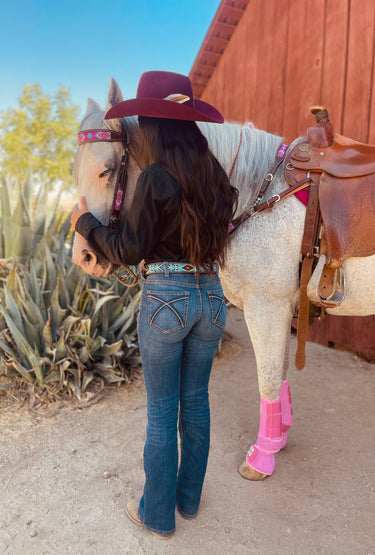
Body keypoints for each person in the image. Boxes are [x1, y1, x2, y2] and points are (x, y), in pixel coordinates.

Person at [71, 71, 238, 539]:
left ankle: (157, 515)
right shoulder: (215, 176)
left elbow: (126, 250)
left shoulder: (156, 178)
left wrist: (84, 219)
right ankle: (187, 501)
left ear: (153, 125)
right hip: (212, 297)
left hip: (167, 298)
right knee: (196, 404)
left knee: (162, 412)